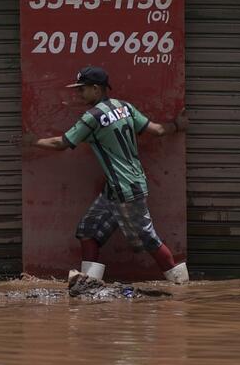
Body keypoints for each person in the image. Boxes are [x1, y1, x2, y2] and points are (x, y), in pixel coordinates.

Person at [22, 66, 190, 283]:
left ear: (96, 89)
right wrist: (177, 125)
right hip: (119, 187)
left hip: (125, 188)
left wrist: (33, 141)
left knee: (147, 238)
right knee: (88, 230)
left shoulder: (92, 118)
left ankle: (180, 284)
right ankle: (89, 284)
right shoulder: (125, 107)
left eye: (82, 89)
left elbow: (61, 143)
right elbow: (157, 130)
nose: (79, 94)